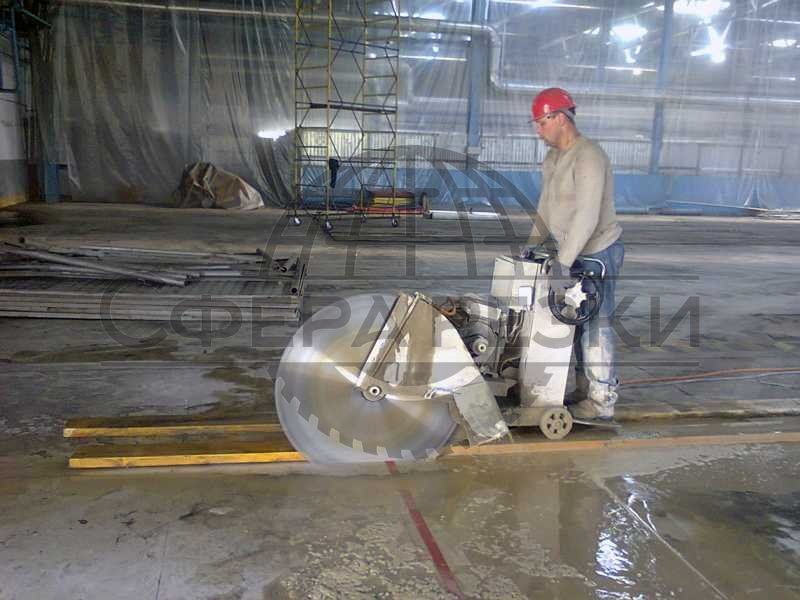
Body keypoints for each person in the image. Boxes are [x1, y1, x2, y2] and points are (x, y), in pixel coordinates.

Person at [524, 87, 624, 421]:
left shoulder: (589, 156)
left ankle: (602, 399)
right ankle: (584, 391)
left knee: (596, 324)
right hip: (570, 252)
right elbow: (545, 205)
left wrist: (562, 263)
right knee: (575, 324)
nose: (538, 131)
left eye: (542, 123)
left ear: (560, 119)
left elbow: (587, 215)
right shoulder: (553, 158)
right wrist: (532, 245)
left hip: (597, 252)